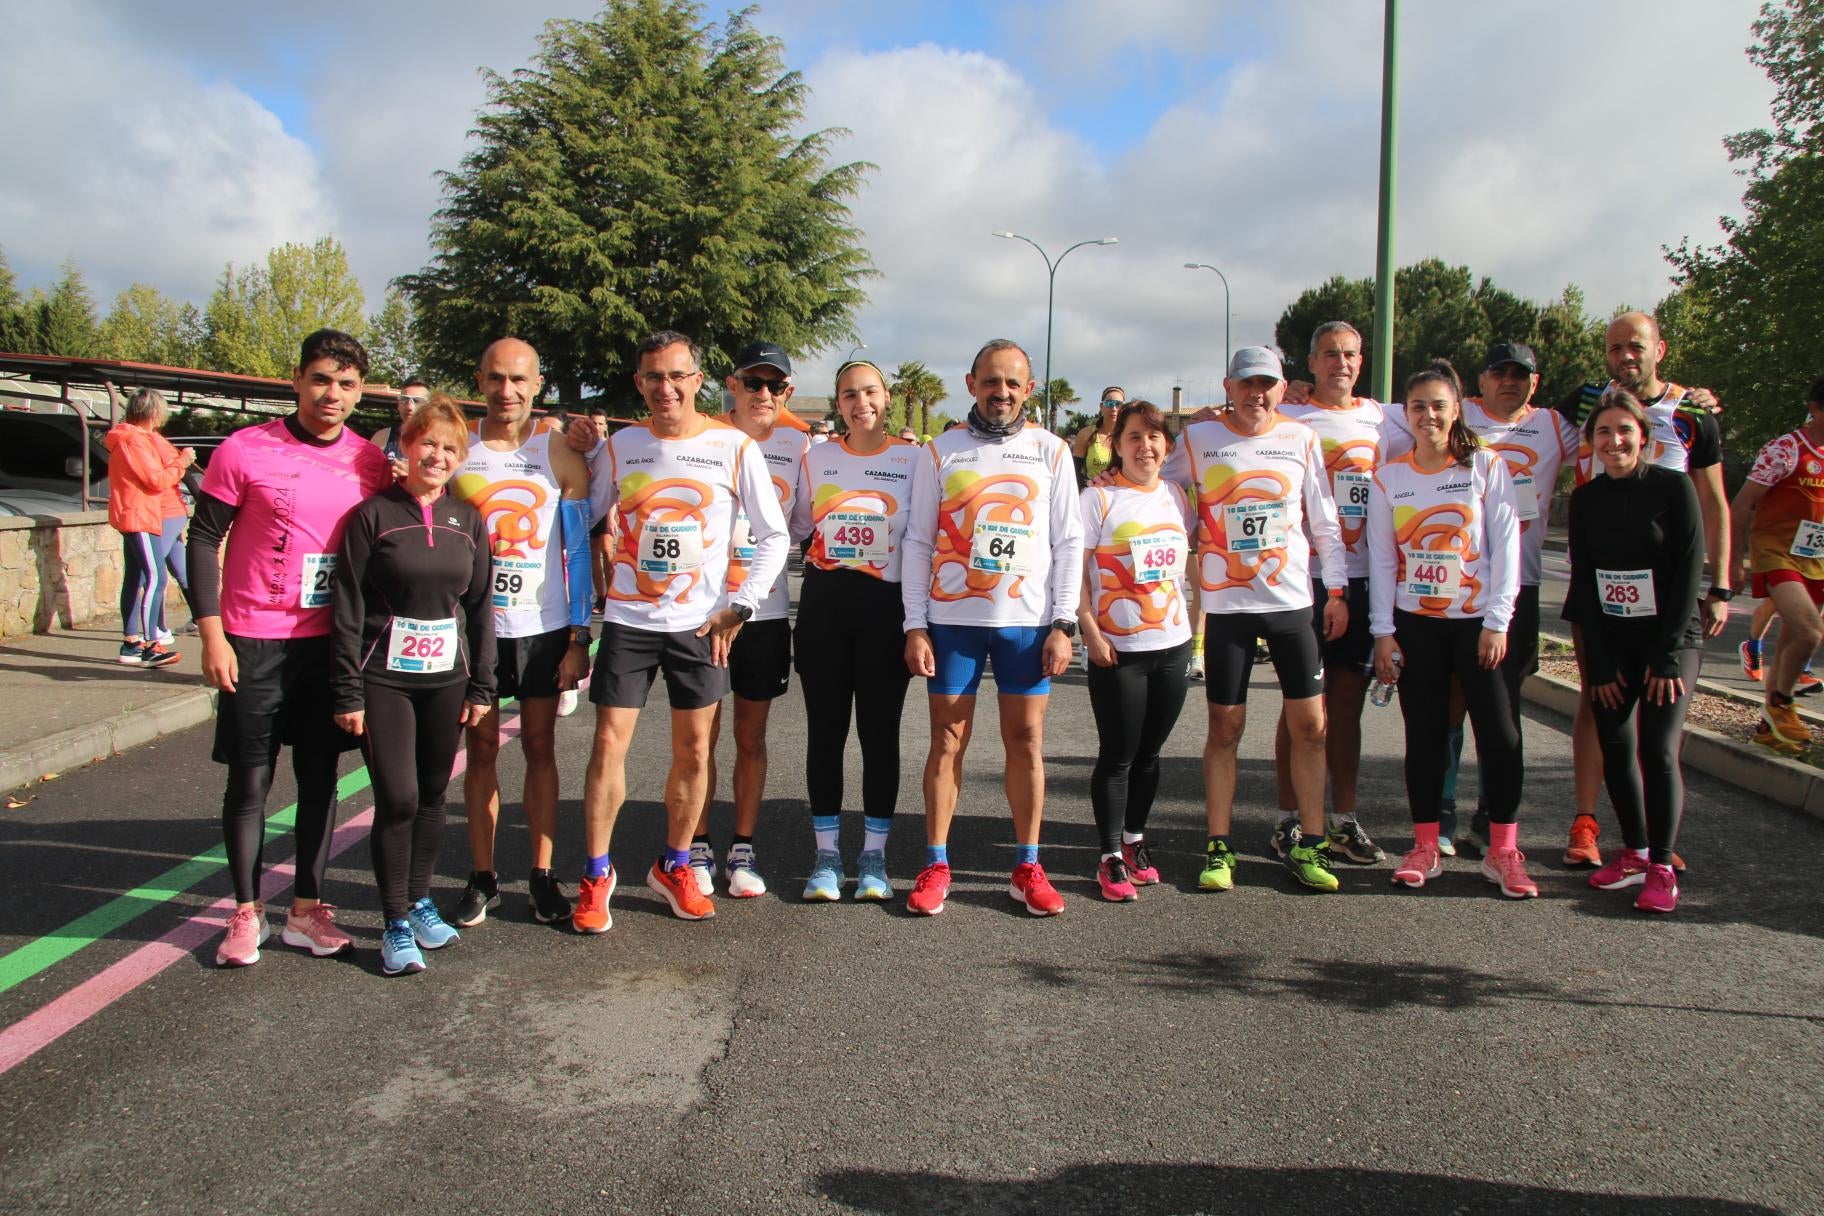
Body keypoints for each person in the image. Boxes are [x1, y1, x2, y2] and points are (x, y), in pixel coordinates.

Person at [188, 329, 394, 967]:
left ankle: (306, 910)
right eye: (321, 380)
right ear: (298, 381)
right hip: (253, 640)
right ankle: (245, 912)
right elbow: (202, 539)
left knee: (319, 780)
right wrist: (211, 631)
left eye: (347, 384)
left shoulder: (370, 462)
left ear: (360, 393)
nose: (332, 394)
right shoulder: (244, 449)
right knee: (251, 781)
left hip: (330, 647)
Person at [571, 330, 788, 931]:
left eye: (676, 376)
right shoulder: (621, 448)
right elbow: (580, 518)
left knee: (694, 751)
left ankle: (673, 865)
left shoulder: (734, 446)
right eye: (652, 377)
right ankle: (595, 874)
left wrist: (740, 606)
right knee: (607, 745)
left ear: (697, 380)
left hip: (700, 626)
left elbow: (774, 536)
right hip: (629, 620)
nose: (664, 388)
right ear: (639, 384)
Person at [900, 338, 1083, 917]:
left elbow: (1069, 541)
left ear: (1028, 390)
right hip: (953, 621)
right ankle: (935, 862)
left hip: (1026, 625)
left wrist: (1064, 622)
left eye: (1012, 383)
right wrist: (914, 625)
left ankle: (1028, 865)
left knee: (1025, 741)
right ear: (971, 383)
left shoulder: (1051, 452)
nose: (1000, 393)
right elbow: (918, 541)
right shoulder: (940, 452)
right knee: (947, 741)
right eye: (990, 382)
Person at [1161, 347, 1348, 894]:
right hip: (1228, 607)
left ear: (1282, 387)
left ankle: (1311, 842)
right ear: (1228, 386)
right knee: (1225, 728)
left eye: (1266, 384)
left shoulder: (1301, 439)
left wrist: (1336, 590)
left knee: (1310, 727)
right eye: (1246, 384)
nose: (1256, 394)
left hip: (1291, 603)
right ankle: (1220, 847)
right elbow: (1158, 485)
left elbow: (1324, 520)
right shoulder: (1198, 440)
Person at [1556, 312, 1729, 868]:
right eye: (1614, 348)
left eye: (1635, 347)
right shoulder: (1587, 399)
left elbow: (1715, 503)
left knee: (1658, 736)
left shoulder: (1694, 412)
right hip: (1606, 591)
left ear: (1660, 349)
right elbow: (1516, 419)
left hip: (1667, 585)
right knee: (1599, 703)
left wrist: (1721, 584)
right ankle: (1591, 824)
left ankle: (1660, 847)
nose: (1624, 357)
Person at [331, 396, 496, 974]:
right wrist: (346, 690)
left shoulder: (469, 520)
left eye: (450, 448)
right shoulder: (372, 517)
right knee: (396, 798)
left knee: (432, 796)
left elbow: (479, 609)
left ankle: (421, 900)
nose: (437, 455)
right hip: (384, 681)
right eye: (428, 442)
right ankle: (394, 919)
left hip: (446, 679)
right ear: (406, 445)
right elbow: (347, 607)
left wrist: (483, 686)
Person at [1369, 361, 1531, 897]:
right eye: (1418, 406)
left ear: (1456, 409)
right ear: (1406, 416)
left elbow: (1507, 548)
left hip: (1477, 625)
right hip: (1417, 625)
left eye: (1439, 405)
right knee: (1426, 736)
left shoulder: (1484, 467)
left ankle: (1504, 851)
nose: (1429, 415)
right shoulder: (1390, 478)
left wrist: (1497, 620)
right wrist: (1383, 632)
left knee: (1499, 734)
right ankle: (1424, 844)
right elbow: (1383, 561)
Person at [448, 339, 594, 927]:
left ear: (537, 385)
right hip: (474, 630)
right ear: (479, 380)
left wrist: (580, 639)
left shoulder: (559, 451)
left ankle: (540, 874)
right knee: (479, 748)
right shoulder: (457, 449)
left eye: (518, 380)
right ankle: (482, 877)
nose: (506, 391)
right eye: (495, 379)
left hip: (543, 628)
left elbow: (579, 553)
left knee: (540, 747)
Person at [1431, 343, 1581, 854]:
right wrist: (1295, 393)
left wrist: (1688, 398)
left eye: (1521, 375)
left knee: (1502, 708)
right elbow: (1363, 414)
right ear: (1482, 379)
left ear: (1534, 383)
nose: (1510, 382)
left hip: (1520, 584)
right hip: (1455, 588)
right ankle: (1442, 809)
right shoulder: (1458, 411)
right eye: (1500, 373)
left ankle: (1492, 814)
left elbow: (1625, 430)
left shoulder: (1557, 426)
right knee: (1451, 700)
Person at [1562, 389, 1702, 913]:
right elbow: (1585, 581)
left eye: (1624, 430)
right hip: (1614, 641)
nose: (1614, 440)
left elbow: (1690, 573)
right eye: (1603, 432)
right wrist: (1597, 661)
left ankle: (1663, 866)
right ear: (1592, 442)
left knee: (1657, 750)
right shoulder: (1586, 498)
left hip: (1669, 642)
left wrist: (1666, 655)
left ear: (1643, 437)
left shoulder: (1673, 487)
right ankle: (1636, 852)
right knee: (1615, 745)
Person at [686, 341, 811, 898]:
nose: (764, 394)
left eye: (775, 386)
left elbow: (804, 524)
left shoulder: (800, 446)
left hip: (763, 612)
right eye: (753, 383)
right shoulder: (702, 435)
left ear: (786, 393)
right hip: (707, 613)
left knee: (750, 735)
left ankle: (742, 847)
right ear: (730, 385)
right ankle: (695, 845)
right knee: (699, 739)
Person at [1273, 321, 1400, 866]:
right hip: (1305, 578)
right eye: (1329, 354)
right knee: (1301, 707)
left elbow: (1451, 417)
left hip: (1363, 575)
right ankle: (1289, 820)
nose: (1340, 363)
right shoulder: (1288, 414)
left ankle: (1344, 818)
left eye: (1349, 354)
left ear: (1361, 360)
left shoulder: (1383, 418)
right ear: (1311, 362)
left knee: (1346, 707)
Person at [792, 359, 917, 899]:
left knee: (878, 734)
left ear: (885, 398)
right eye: (849, 394)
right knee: (825, 733)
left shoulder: (914, 458)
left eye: (869, 392)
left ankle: (873, 857)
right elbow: (794, 525)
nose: (860, 402)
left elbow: (928, 532)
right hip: (824, 607)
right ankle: (824, 858)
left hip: (884, 612)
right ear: (837, 402)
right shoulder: (815, 457)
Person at [1078, 400, 1194, 901]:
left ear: (1166, 445)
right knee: (1119, 754)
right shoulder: (1098, 498)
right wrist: (1088, 628)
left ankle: (1134, 841)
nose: (1145, 446)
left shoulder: (1175, 495)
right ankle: (1108, 856)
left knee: (1150, 754)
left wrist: (1200, 633)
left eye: (1153, 437)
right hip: (1116, 647)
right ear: (1116, 445)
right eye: (1134, 437)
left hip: (1172, 644)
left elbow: (1190, 566)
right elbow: (1074, 571)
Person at [1729, 376, 1824, 755]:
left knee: (1790, 643)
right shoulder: (1785, 449)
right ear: (1815, 408)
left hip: (1815, 559)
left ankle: (1770, 727)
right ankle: (1782, 705)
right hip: (1776, 552)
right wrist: (1734, 562)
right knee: (1809, 632)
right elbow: (1741, 504)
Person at [104, 384, 194, 668]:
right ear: (154, 412)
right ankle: (150, 644)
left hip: (139, 515)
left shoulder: (131, 438)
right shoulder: (135, 440)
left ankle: (132, 643)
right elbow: (155, 479)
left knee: (136, 578)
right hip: (140, 515)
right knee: (156, 578)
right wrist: (183, 462)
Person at [1071, 387, 1125, 484]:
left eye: (1118, 404)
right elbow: (1074, 472)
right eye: (1109, 404)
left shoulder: (1128, 437)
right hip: (1094, 493)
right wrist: (1088, 486)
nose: (1114, 408)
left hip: (1122, 494)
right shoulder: (1086, 434)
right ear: (1101, 407)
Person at [370, 375, 430, 462]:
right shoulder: (382, 438)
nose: (410, 407)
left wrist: (413, 472)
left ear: (428, 407)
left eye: (417, 401)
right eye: (405, 399)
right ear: (398, 405)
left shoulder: (439, 442)